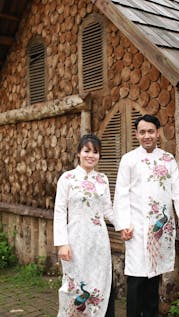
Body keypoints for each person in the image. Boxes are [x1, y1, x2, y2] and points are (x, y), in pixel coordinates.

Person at [113, 114, 179, 317]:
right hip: (137, 229)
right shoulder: (129, 160)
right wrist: (123, 224)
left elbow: (177, 190)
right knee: (136, 278)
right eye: (142, 132)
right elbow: (121, 194)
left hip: (160, 230)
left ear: (157, 133)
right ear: (136, 134)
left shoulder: (168, 159)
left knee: (153, 278)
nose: (147, 136)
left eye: (151, 131)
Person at [54, 134, 115, 317]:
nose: (91, 155)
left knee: (99, 283)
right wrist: (62, 243)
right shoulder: (67, 178)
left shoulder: (102, 179)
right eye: (87, 151)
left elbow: (108, 210)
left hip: (98, 242)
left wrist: (124, 226)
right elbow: (59, 212)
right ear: (79, 153)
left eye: (95, 152)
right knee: (74, 284)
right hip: (75, 241)